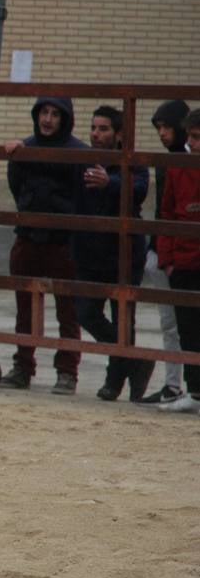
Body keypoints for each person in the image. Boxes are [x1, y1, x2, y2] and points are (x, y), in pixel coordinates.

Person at [1, 97, 85, 394]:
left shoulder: (79, 153)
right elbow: (15, 185)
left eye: (54, 114)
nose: (48, 119)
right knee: (25, 310)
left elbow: (84, 195)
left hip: (63, 243)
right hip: (27, 238)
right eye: (44, 113)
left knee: (68, 311)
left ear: (65, 119)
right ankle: (22, 367)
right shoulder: (25, 148)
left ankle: (67, 373)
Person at [73, 105, 151, 401]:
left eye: (103, 129)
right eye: (93, 128)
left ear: (118, 134)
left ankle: (115, 381)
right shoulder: (82, 159)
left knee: (123, 319)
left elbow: (140, 189)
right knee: (87, 314)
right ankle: (135, 362)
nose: (96, 134)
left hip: (124, 254)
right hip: (89, 253)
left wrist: (111, 184)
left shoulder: (133, 161)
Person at [136, 99, 190, 405]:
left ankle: (182, 386)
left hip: (179, 253)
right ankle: (174, 385)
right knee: (171, 322)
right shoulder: (166, 163)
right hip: (167, 250)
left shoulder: (181, 162)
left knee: (183, 322)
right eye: (159, 128)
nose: (162, 133)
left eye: (167, 127)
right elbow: (164, 211)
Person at [155, 108, 200, 414]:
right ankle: (195, 391)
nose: (193, 144)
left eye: (197, 138)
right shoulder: (176, 167)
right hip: (183, 261)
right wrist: (167, 259)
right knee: (187, 328)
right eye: (192, 137)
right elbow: (167, 213)